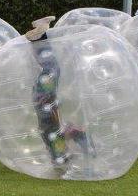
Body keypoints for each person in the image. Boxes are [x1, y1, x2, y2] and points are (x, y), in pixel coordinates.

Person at [25, 16, 94, 172]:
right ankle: (39, 37)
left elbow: (51, 111)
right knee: (53, 68)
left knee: (53, 68)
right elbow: (52, 112)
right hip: (42, 97)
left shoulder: (53, 135)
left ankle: (39, 37)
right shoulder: (54, 135)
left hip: (43, 96)